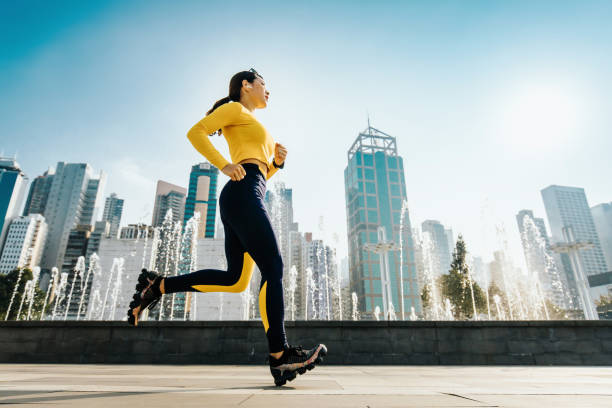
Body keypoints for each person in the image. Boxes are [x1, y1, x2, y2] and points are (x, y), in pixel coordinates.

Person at [127, 68, 327, 386]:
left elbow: (258, 176)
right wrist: (223, 165)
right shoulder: (234, 108)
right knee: (273, 268)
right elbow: (196, 132)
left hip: (246, 194)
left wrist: (275, 164)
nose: (268, 90)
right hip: (242, 195)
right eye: (264, 84)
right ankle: (280, 355)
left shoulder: (253, 122)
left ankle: (159, 286)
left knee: (236, 280)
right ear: (246, 86)